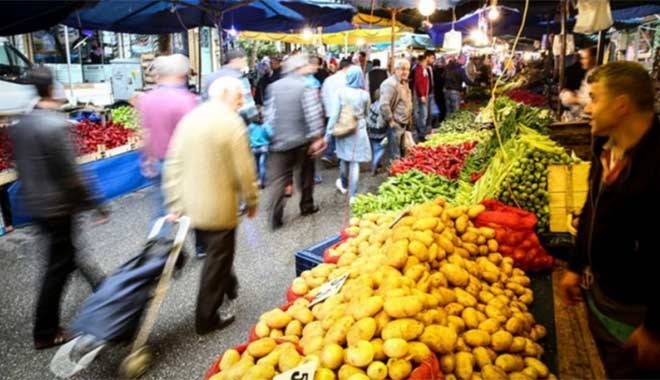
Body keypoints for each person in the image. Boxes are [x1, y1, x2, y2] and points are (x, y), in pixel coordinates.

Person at [559, 61, 660, 379]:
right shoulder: (605, 145)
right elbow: (592, 206)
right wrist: (576, 266)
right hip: (601, 295)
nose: (587, 108)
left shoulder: (656, 163)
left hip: (638, 317)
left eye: (594, 98)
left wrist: (655, 328)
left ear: (621, 106)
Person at [12, 68, 107, 349]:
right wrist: (97, 205)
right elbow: (72, 174)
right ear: (51, 90)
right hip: (58, 206)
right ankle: (45, 331)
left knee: (68, 254)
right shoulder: (55, 125)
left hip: (36, 204)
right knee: (58, 267)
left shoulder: (22, 124)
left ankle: (103, 290)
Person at [162, 76, 258, 335]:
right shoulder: (231, 123)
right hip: (218, 207)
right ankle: (206, 318)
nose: (241, 101)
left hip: (191, 206)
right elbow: (245, 171)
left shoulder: (191, 118)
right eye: (239, 96)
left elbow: (173, 163)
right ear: (226, 94)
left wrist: (174, 202)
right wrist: (252, 200)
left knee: (217, 251)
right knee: (218, 258)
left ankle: (231, 286)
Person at [264, 54, 326, 230]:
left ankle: (276, 215)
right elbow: (312, 115)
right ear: (298, 69)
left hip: (279, 142)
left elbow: (269, 115)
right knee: (306, 176)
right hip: (302, 140)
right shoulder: (305, 86)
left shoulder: (273, 87)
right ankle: (306, 206)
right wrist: (317, 137)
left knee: (279, 180)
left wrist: (272, 135)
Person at [137, 54, 197, 219]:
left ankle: (159, 241)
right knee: (188, 211)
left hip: (156, 161)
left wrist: (147, 158)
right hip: (180, 165)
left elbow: (144, 133)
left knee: (161, 210)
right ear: (179, 74)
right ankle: (188, 244)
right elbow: (192, 138)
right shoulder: (186, 100)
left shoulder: (146, 99)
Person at [325, 66, 371, 201]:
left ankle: (344, 183)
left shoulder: (340, 92)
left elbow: (334, 115)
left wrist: (328, 135)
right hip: (359, 130)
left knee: (344, 158)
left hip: (343, 129)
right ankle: (353, 196)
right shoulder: (365, 94)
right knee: (355, 163)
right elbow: (367, 113)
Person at [202, 48, 257, 123]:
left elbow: (203, 102)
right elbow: (249, 110)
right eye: (244, 60)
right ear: (236, 60)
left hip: (212, 124)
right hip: (235, 125)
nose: (245, 64)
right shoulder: (240, 78)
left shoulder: (210, 77)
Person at [378, 59, 412, 163]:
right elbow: (384, 104)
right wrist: (390, 121)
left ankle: (399, 173)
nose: (405, 72)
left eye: (407, 69)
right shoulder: (390, 84)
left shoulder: (404, 82)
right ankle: (394, 175)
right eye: (402, 69)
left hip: (403, 123)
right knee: (395, 155)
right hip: (395, 124)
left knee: (403, 151)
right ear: (396, 70)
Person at [321, 59, 352, 167]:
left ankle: (328, 154)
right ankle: (339, 156)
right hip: (342, 111)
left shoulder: (328, 80)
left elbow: (322, 94)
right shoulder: (347, 80)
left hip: (329, 111)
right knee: (342, 134)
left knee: (331, 131)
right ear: (347, 68)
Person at [560, 46, 598, 121]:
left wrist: (575, 99)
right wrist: (573, 94)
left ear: (594, 58)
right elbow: (586, 94)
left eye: (585, 58)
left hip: (589, 119)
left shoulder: (597, 75)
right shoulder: (589, 73)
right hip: (581, 116)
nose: (581, 61)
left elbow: (594, 100)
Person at [413, 51, 435, 141]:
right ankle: (421, 133)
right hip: (423, 95)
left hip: (426, 94)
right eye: (432, 58)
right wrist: (422, 95)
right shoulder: (419, 69)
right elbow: (419, 82)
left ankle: (424, 131)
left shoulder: (425, 69)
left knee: (425, 114)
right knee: (423, 114)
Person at [248, 113, 272, 189]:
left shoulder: (251, 127)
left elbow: (246, 136)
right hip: (264, 148)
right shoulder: (264, 125)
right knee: (262, 165)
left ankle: (256, 180)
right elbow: (271, 134)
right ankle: (261, 182)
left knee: (256, 165)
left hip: (254, 148)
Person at [366, 90, 386, 175]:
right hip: (381, 132)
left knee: (375, 149)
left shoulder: (372, 106)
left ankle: (378, 164)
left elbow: (368, 119)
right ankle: (374, 166)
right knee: (381, 149)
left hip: (372, 132)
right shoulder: (382, 107)